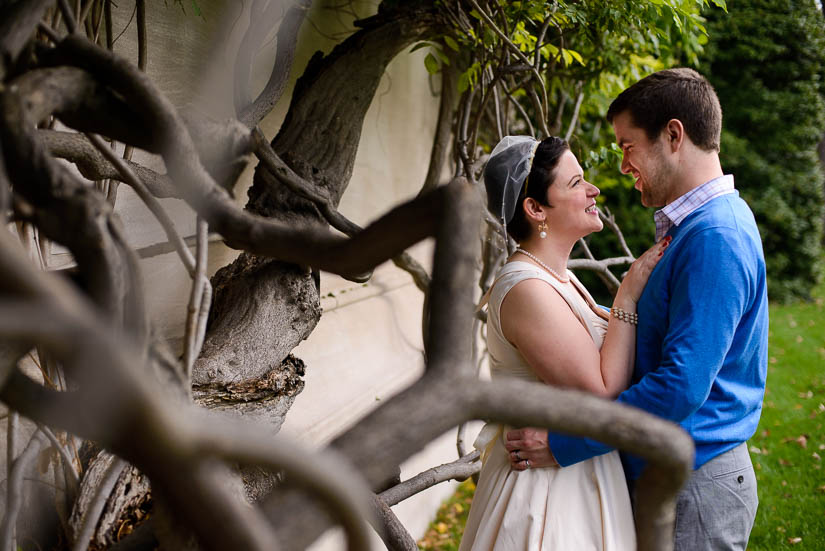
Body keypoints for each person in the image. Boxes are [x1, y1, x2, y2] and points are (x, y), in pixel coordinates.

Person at [505, 68, 768, 551]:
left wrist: (564, 444)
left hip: (694, 482)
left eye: (628, 146)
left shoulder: (714, 235)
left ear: (673, 136)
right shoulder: (697, 227)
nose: (623, 166)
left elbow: (681, 387)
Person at [459, 135, 670, 550]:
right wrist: (626, 296)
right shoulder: (525, 289)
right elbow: (601, 390)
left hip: (579, 473)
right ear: (536, 208)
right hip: (545, 493)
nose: (593, 191)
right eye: (575, 184)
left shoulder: (559, 276)